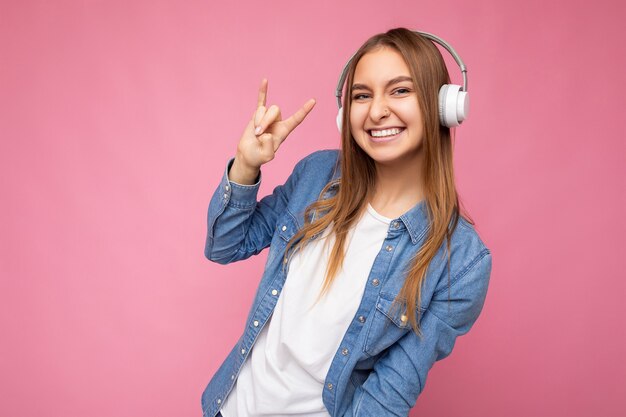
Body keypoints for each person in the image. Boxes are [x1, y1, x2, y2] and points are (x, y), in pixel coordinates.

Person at [200, 28, 492, 417]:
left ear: (444, 105)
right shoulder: (316, 175)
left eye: (400, 91)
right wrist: (247, 164)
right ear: (345, 113)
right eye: (362, 95)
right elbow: (224, 245)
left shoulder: (462, 262)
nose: (376, 111)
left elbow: (388, 395)